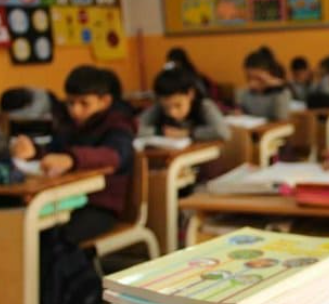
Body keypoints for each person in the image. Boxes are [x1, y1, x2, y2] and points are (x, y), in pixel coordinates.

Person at [11, 65, 136, 244]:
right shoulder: (68, 125)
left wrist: (71, 159)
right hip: (65, 202)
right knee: (25, 227)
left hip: (100, 207)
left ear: (105, 101)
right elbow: (55, 152)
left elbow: (114, 156)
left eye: (84, 103)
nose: (75, 110)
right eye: (70, 103)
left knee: (54, 238)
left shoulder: (119, 126)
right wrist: (34, 152)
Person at [138, 67, 230, 142]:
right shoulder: (158, 108)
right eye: (166, 107)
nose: (172, 113)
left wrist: (187, 133)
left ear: (190, 94)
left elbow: (222, 132)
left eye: (178, 105)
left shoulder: (204, 106)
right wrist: (160, 132)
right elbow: (134, 127)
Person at [239, 47, 292, 121]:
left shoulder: (280, 93)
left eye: (258, 78)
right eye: (248, 79)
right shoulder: (247, 93)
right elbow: (244, 112)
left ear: (269, 74)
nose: (252, 83)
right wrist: (239, 112)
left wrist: (277, 85)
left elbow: (281, 118)